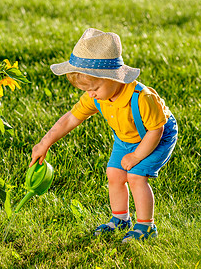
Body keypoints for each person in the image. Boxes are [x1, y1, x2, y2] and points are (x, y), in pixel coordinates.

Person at [29, 28, 178, 242]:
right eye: (86, 90)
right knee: (114, 174)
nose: (90, 94)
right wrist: (45, 142)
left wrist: (136, 157)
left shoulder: (141, 97)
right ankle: (120, 219)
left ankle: (146, 226)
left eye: (95, 88)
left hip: (156, 136)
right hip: (125, 137)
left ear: (114, 78)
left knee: (135, 176)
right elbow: (71, 118)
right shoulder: (96, 96)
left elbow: (157, 130)